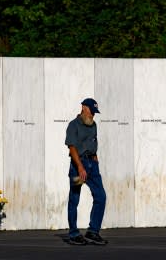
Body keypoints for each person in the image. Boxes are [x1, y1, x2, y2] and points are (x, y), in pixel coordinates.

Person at [64, 97, 107, 245]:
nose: (92, 115)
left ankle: (92, 232)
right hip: (78, 166)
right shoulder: (73, 125)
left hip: (92, 166)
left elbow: (93, 143)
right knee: (74, 199)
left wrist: (95, 157)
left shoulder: (93, 125)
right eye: (91, 111)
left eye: (94, 113)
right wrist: (81, 167)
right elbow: (72, 147)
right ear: (83, 108)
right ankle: (74, 234)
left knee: (101, 196)